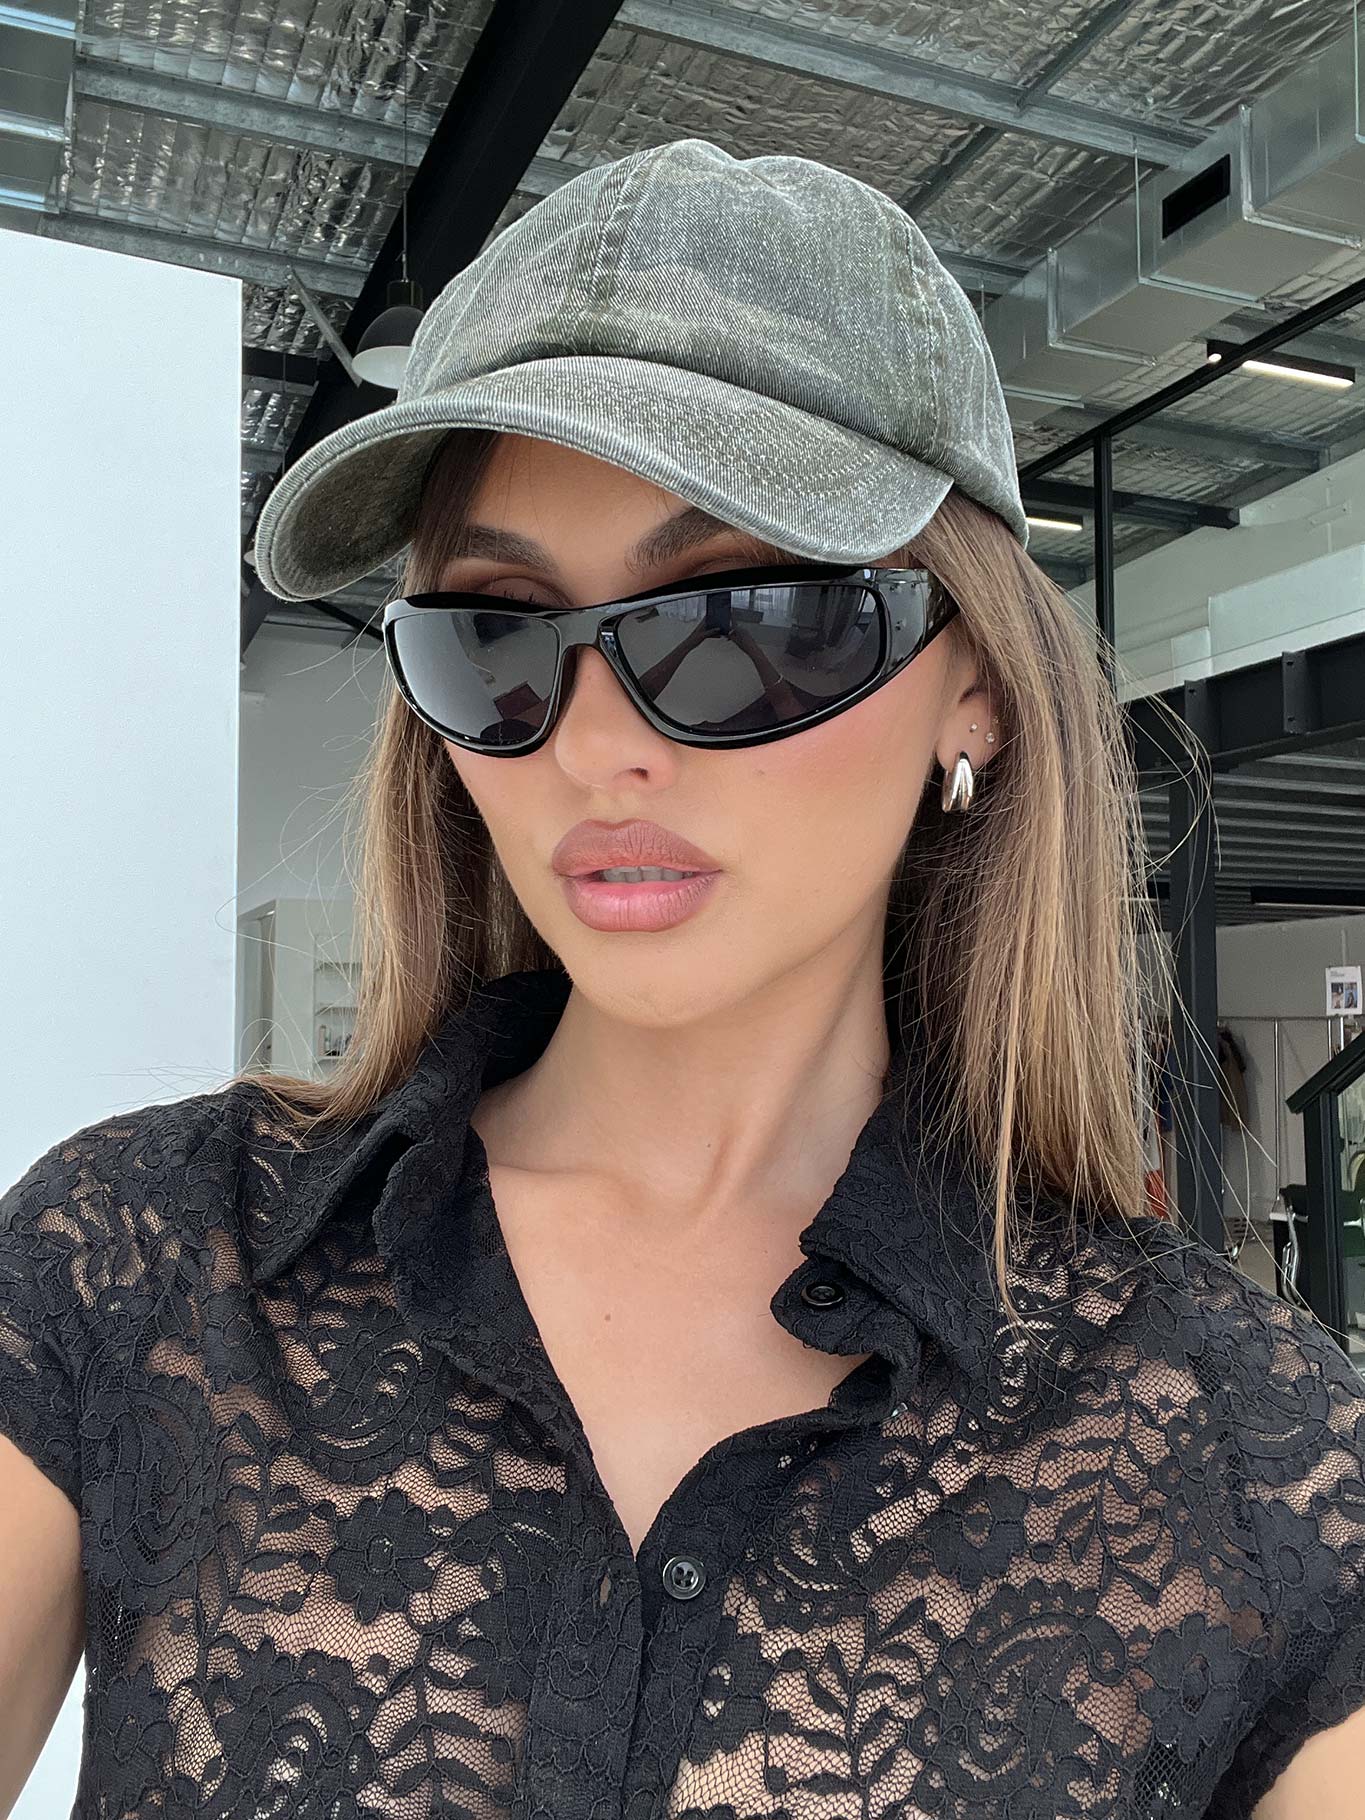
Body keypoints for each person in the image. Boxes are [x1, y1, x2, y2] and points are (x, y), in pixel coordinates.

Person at [3, 138, 1364, 1820]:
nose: (594, 747)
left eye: (741, 622)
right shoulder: (142, 1259)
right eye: (496, 631)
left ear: (976, 691)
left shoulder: (1248, 1453)